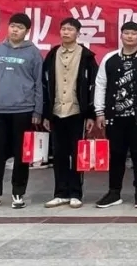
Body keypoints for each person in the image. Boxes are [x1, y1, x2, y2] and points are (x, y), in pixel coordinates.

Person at [0, 13, 44, 210]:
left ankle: (18, 192)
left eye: (20, 27)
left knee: (21, 154)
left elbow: (39, 84)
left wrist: (38, 110)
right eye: (13, 26)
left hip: (23, 110)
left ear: (27, 31)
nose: (15, 30)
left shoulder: (33, 53)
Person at [93, 21, 137, 209]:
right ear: (121, 35)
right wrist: (99, 111)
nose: (130, 36)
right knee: (116, 154)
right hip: (114, 117)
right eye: (126, 33)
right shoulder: (110, 58)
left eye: (134, 33)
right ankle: (114, 192)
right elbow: (100, 85)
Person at [41, 18, 99, 209]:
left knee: (77, 154)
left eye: (70, 29)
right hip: (57, 112)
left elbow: (93, 86)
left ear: (78, 33)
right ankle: (60, 193)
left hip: (77, 112)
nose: (66, 32)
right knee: (59, 154)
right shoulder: (52, 55)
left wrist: (91, 114)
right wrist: (46, 114)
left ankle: (76, 192)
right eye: (63, 29)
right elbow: (44, 85)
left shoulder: (87, 57)